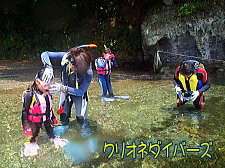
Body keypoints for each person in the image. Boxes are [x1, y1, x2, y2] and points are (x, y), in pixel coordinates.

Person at [40, 46, 94, 135]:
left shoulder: (88, 73)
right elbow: (45, 54)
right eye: (72, 64)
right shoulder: (66, 57)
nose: (73, 67)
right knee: (63, 115)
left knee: (81, 118)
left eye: (77, 67)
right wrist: (48, 67)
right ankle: (64, 131)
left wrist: (62, 88)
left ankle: (84, 133)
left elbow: (81, 91)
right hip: (65, 93)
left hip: (79, 95)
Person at [21, 69, 58, 150]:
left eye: (49, 86)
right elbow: (24, 112)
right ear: (37, 82)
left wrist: (53, 117)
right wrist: (26, 126)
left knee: (51, 132)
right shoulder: (30, 95)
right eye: (45, 86)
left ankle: (53, 140)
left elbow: (49, 108)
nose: (47, 88)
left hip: (45, 120)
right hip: (33, 122)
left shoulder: (47, 93)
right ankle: (29, 145)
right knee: (32, 136)